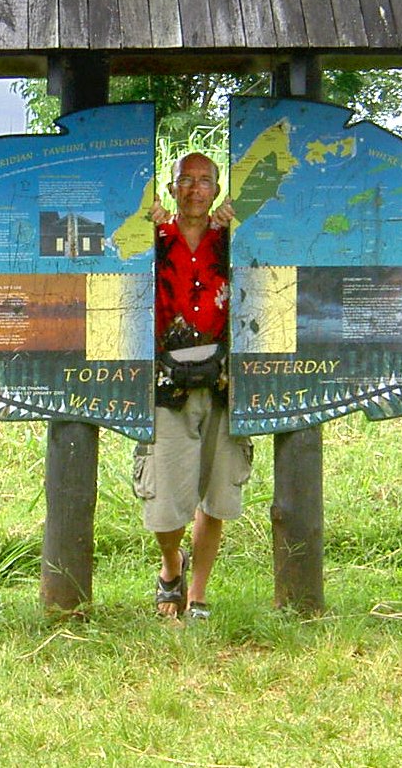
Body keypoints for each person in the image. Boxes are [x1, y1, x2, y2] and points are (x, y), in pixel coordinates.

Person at [133, 152, 253, 619]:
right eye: (187, 180)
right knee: (165, 499)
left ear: (218, 190)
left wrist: (240, 226)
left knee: (218, 489)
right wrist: (146, 223)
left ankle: (197, 594)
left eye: (206, 181)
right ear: (171, 187)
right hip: (167, 381)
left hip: (225, 379)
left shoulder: (233, 239)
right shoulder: (154, 238)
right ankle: (170, 566)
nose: (196, 189)